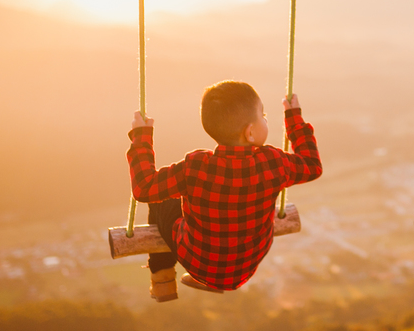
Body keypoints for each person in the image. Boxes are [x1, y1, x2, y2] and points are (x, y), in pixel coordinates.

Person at [128, 80, 321, 302]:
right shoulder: (273, 163)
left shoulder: (195, 166)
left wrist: (141, 137)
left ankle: (163, 282)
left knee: (161, 200)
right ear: (250, 132)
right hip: (246, 266)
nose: (266, 119)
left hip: (198, 262)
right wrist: (293, 118)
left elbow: (143, 188)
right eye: (263, 115)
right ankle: (209, 280)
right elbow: (312, 165)